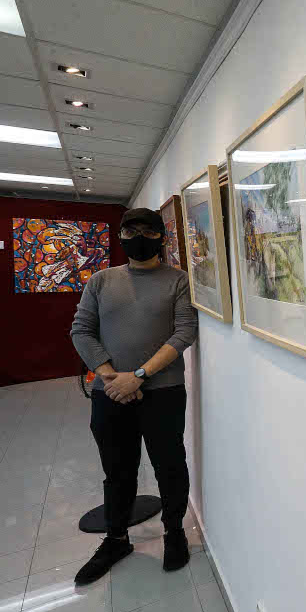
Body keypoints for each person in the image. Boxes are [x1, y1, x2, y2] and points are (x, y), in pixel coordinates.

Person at [70, 207, 198, 585]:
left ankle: (174, 532)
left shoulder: (178, 280)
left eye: (147, 230)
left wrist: (139, 376)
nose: (138, 237)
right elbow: (81, 330)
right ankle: (116, 539)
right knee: (118, 471)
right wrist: (112, 378)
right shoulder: (100, 281)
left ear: (161, 236)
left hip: (164, 393)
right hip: (109, 394)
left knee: (170, 467)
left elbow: (184, 333)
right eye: (131, 230)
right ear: (121, 235)